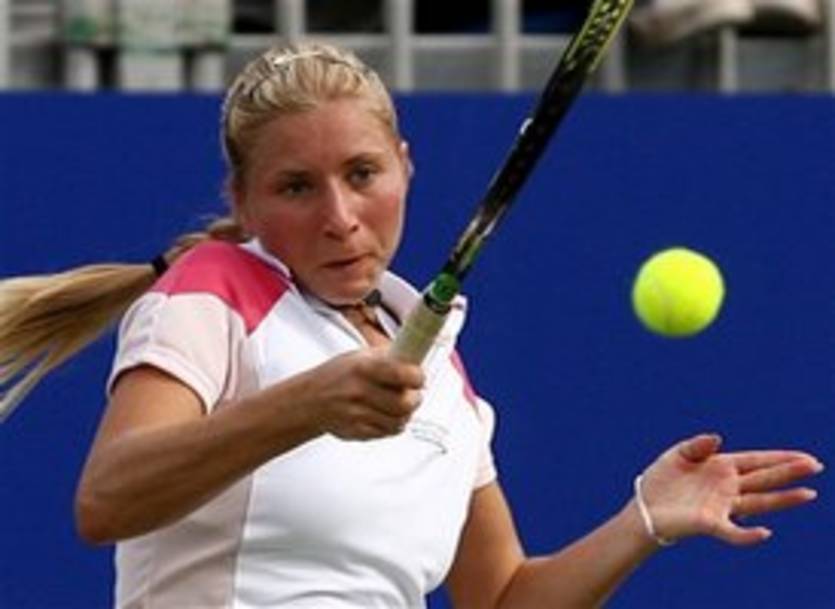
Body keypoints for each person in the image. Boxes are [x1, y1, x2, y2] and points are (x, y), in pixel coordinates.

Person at [0, 42, 823, 609]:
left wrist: (642, 521)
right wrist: (306, 405)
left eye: (362, 173)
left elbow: (499, 595)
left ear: (404, 163)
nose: (339, 216)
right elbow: (106, 498)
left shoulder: (440, 374)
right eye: (296, 187)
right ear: (243, 202)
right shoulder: (216, 288)